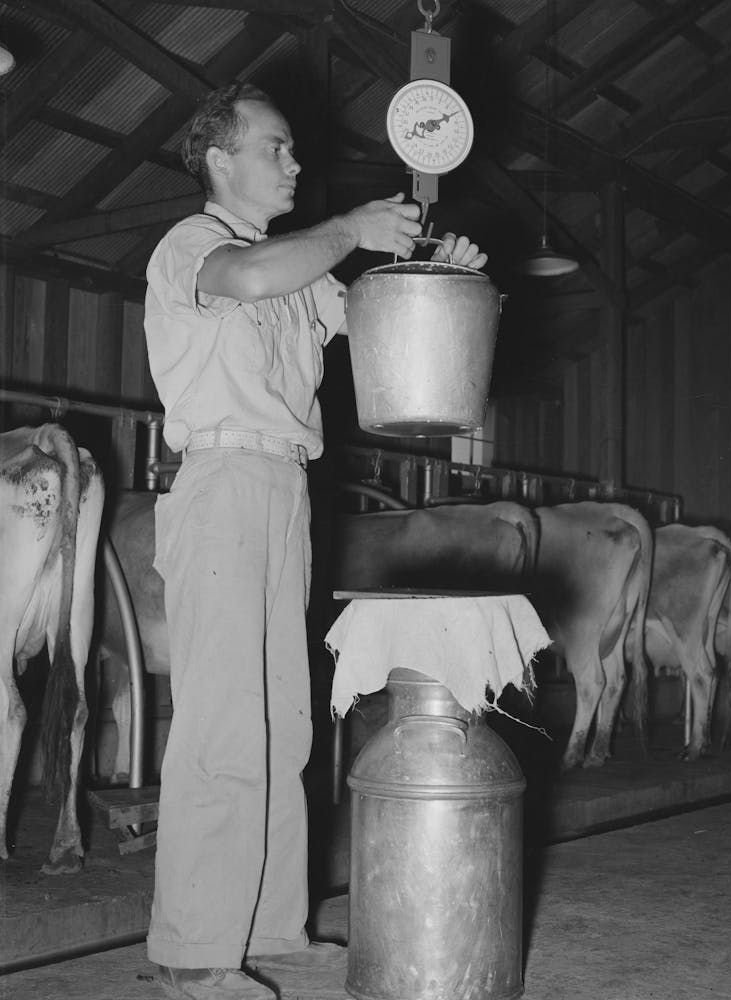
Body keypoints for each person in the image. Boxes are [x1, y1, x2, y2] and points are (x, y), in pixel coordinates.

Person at [143, 80, 487, 1000]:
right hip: (221, 484)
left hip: (286, 491)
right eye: (276, 148)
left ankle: (268, 929)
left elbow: (382, 324)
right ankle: (192, 949)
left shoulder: (302, 271)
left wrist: (440, 268)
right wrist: (349, 228)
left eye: (291, 149)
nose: (295, 163)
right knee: (222, 724)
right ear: (221, 159)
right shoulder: (196, 246)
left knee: (283, 724)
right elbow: (252, 279)